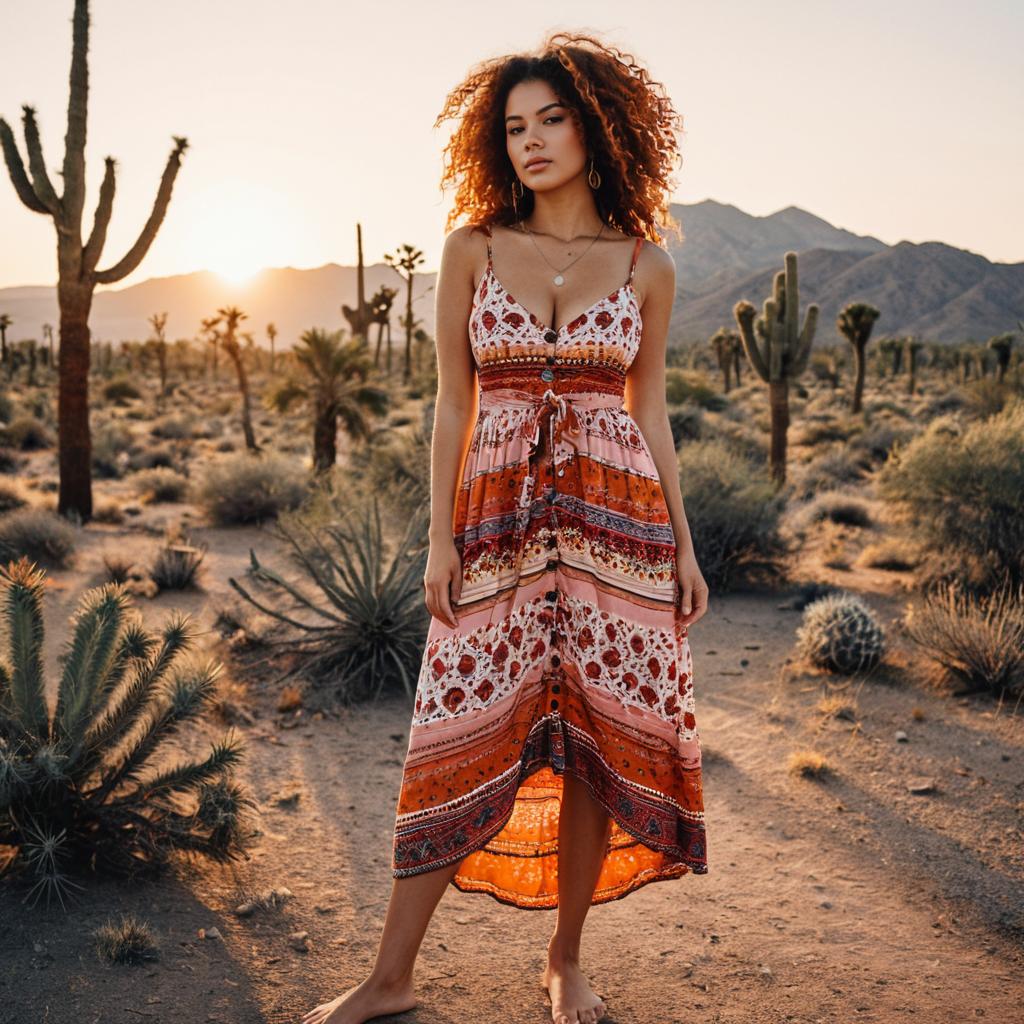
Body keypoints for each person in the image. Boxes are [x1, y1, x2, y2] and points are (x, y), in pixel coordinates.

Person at [302, 30, 710, 1024]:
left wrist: (686, 547)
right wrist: (440, 536)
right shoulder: (472, 249)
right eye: (514, 126)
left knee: (595, 745)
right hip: (494, 530)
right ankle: (389, 975)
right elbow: (454, 401)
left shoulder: (645, 264)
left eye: (552, 119)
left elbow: (647, 409)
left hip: (620, 530)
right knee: (453, 728)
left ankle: (564, 960)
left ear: (598, 124)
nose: (531, 140)